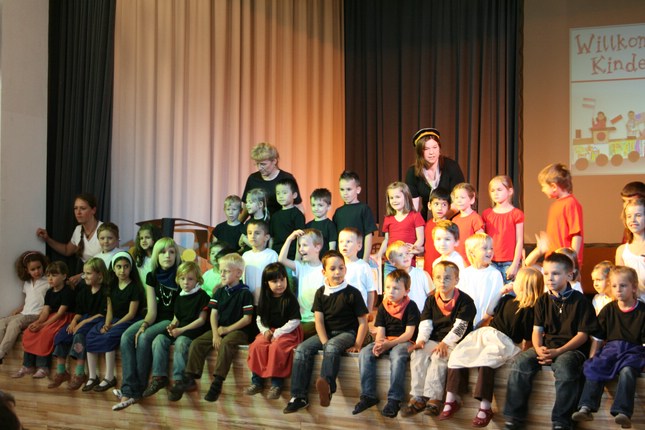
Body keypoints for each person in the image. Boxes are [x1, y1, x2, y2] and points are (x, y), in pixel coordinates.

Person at [503, 252, 598, 430]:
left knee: (565, 367)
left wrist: (558, 352)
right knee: (521, 362)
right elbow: (537, 330)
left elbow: (582, 336)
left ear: (569, 275)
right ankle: (514, 418)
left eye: (555, 273)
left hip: (572, 350)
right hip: (548, 346)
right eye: (546, 273)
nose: (549, 278)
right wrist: (538, 348)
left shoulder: (581, 301)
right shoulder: (542, 300)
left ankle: (562, 422)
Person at [441, 267, 542, 427]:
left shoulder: (531, 310)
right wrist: (501, 292)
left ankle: (485, 407)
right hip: (485, 334)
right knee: (458, 354)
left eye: (516, 280)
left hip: (503, 341)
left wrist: (523, 352)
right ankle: (451, 399)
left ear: (524, 285)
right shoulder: (507, 300)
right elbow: (489, 311)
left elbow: (528, 338)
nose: (512, 282)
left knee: (486, 361)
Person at [283, 250, 368, 413]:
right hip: (327, 333)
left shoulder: (353, 293)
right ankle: (298, 397)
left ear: (345, 270)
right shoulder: (320, 292)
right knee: (302, 349)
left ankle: (327, 386)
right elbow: (319, 321)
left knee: (332, 346)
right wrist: (324, 341)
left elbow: (363, 322)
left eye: (341, 268)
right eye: (333, 269)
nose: (337, 272)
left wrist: (358, 344)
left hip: (347, 333)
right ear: (324, 272)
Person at [169, 253, 255, 403]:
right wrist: (215, 334)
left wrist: (226, 330)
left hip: (239, 331)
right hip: (220, 329)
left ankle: (217, 382)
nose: (222, 274)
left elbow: (247, 319)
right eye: (221, 271)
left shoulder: (245, 293)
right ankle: (189, 377)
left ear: (238, 273)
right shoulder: (220, 292)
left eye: (226, 271)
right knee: (197, 343)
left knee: (227, 343)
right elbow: (213, 314)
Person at [571, 266, 645, 429]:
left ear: (634, 287)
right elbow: (598, 338)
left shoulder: (642, 311)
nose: (618, 290)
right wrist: (592, 357)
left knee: (627, 371)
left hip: (633, 351)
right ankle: (586, 407)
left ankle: (623, 412)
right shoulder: (609, 309)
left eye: (623, 285)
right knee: (595, 366)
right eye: (614, 286)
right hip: (611, 350)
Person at [113, 238, 181, 410]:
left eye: (171, 252)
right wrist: (143, 325)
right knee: (127, 336)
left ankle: (137, 389)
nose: (167, 256)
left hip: (173, 319)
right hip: (156, 317)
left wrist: (145, 330)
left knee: (144, 338)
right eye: (163, 252)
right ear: (156, 255)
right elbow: (152, 311)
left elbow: (181, 311)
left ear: (176, 255)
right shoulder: (152, 276)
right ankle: (128, 387)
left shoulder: (181, 274)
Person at [402, 261, 476, 418]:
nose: (442, 281)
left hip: (455, 342)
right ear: (433, 280)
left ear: (456, 280)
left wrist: (445, 343)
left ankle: (434, 399)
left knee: (439, 356)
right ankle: (418, 397)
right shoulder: (430, 300)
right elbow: (426, 323)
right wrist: (421, 340)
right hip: (435, 339)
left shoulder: (466, 301)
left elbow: (460, 328)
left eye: (447, 278)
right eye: (438, 277)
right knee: (418, 354)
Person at [352, 269, 420, 418]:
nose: (391, 291)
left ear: (406, 291)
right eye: (388, 287)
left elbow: (409, 333)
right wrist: (379, 343)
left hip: (404, 341)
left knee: (397, 355)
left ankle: (394, 399)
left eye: (396, 288)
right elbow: (381, 330)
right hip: (387, 340)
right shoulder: (384, 306)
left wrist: (389, 344)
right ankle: (368, 395)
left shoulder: (411, 306)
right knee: (365, 352)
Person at [143, 261, 209, 398]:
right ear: (178, 280)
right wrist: (172, 325)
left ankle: (180, 380)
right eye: (182, 279)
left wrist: (181, 330)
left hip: (195, 329)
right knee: (159, 339)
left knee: (181, 342)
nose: (186, 282)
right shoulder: (180, 297)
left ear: (198, 280)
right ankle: (159, 377)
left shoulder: (203, 297)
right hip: (181, 328)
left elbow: (201, 320)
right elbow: (176, 318)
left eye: (190, 279)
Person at [85, 252, 142, 393]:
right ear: (114, 269)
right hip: (113, 320)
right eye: (119, 267)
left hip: (128, 321)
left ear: (131, 268)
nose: (122, 270)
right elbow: (109, 309)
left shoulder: (134, 288)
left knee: (109, 337)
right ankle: (92, 376)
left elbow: (131, 314)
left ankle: (110, 377)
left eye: (126, 266)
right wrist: (107, 324)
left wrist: (113, 326)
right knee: (91, 335)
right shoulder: (111, 286)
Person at [245, 263, 302, 399]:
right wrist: (265, 331)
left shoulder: (290, 299)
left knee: (277, 347)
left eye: (282, 279)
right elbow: (259, 319)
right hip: (269, 330)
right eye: (275, 281)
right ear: (266, 283)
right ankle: (257, 382)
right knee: (257, 346)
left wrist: (278, 333)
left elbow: (295, 321)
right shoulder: (264, 299)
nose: (279, 284)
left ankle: (277, 384)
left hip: (288, 331)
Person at [49, 257, 108, 390]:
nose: (85, 276)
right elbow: (79, 312)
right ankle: (61, 371)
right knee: (62, 334)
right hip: (84, 319)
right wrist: (74, 321)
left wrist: (82, 323)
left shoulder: (105, 292)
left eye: (88, 273)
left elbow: (102, 314)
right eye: (84, 273)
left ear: (99, 275)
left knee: (79, 335)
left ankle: (80, 373)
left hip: (97, 320)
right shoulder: (84, 291)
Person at [13, 261, 75, 379]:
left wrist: (43, 325)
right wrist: (38, 322)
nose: (50, 279)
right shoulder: (49, 292)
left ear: (64, 276)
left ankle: (43, 367)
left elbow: (60, 313)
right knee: (29, 331)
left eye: (54, 275)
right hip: (51, 317)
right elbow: (46, 311)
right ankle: (28, 365)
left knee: (46, 333)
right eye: (48, 276)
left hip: (65, 318)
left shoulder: (67, 291)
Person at [36, 193, 103, 285]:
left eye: (83, 208)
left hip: (102, 279)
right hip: (88, 279)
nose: (78, 212)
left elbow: (109, 260)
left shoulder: (104, 229)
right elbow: (67, 250)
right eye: (76, 208)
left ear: (93, 210)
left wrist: (82, 276)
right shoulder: (78, 230)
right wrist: (47, 239)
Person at [525, 163, 584, 268]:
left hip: (565, 262)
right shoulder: (554, 206)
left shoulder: (571, 203)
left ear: (553, 186)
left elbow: (576, 234)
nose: (542, 190)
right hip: (553, 260)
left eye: (543, 186)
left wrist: (571, 260)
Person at [0, 251, 49, 364]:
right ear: (27, 270)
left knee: (15, 323)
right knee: (2, 322)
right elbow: (29, 300)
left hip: (36, 314)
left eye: (39, 267)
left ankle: (1, 353)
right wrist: (19, 309)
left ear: (43, 266)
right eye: (33, 269)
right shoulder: (27, 283)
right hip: (24, 313)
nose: (37, 271)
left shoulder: (48, 281)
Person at [405, 128, 465, 220]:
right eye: (426, 149)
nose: (431, 152)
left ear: (439, 149)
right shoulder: (412, 172)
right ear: (420, 152)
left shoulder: (451, 166)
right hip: (428, 218)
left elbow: (459, 199)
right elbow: (413, 206)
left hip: (452, 217)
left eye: (435, 147)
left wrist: (442, 219)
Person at [278, 229, 324, 339]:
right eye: (299, 245)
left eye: (305, 245)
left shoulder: (325, 269)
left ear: (317, 247)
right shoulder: (301, 266)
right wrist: (290, 239)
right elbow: (281, 259)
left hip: (316, 320)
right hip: (301, 318)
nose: (300, 249)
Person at [241, 142, 303, 219]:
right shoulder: (252, 179)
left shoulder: (287, 178)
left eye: (263, 164)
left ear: (274, 161)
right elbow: (246, 208)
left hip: (280, 224)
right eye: (257, 164)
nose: (259, 168)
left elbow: (298, 206)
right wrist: (238, 224)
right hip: (257, 225)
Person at [375, 182, 425, 274]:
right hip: (391, 262)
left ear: (406, 197)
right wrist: (379, 254)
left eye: (397, 197)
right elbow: (386, 240)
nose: (394, 200)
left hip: (407, 262)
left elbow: (420, 239)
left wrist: (410, 254)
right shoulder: (388, 218)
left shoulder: (415, 216)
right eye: (391, 198)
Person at [482, 175, 525, 283]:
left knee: (509, 291)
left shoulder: (516, 214)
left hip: (509, 262)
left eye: (499, 190)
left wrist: (515, 264)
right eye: (492, 191)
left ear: (510, 191)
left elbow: (519, 240)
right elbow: (483, 239)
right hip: (491, 261)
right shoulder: (487, 214)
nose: (495, 193)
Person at [458, 233, 504, 328]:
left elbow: (497, 301)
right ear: (472, 252)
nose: (489, 251)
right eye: (485, 248)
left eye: (491, 248)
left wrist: (485, 321)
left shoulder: (495, 274)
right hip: (465, 323)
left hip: (487, 324)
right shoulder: (464, 274)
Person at [332, 170, 377, 262]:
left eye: (349, 189)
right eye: (342, 189)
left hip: (359, 259)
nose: (345, 193)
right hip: (342, 260)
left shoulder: (364, 209)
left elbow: (368, 235)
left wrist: (365, 259)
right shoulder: (338, 212)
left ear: (358, 190)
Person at [386, 240, 433, 313]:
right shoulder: (391, 279)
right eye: (400, 255)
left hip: (422, 315)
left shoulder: (423, 274)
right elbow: (388, 299)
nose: (405, 256)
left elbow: (432, 297)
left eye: (407, 253)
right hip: (401, 315)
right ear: (392, 262)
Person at [339, 228, 377, 312]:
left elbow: (370, 290)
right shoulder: (337, 266)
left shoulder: (363, 266)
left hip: (360, 310)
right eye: (341, 241)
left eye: (348, 242)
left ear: (359, 246)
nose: (344, 244)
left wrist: (369, 311)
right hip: (341, 310)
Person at [242, 219, 278, 305]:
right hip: (249, 300)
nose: (252, 236)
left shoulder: (272, 255)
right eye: (250, 233)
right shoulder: (245, 255)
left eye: (257, 233)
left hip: (267, 299)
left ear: (266, 237)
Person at [616, 198, 645, 301]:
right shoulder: (621, 250)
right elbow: (619, 282)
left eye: (638, 215)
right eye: (629, 216)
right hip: (632, 305)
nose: (633, 220)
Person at [270, 177, 306, 260]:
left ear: (294, 195)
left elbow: (300, 237)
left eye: (284, 193)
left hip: (291, 256)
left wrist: (297, 258)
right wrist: (270, 255)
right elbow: (272, 238)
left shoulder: (297, 215)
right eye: (278, 193)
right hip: (276, 255)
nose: (281, 196)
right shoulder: (275, 216)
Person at [450, 182, 484, 264]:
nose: (459, 200)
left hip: (470, 261)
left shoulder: (475, 218)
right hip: (456, 261)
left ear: (471, 200)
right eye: (456, 197)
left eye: (462, 197)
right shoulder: (454, 219)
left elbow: (481, 241)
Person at [423, 188, 451, 277]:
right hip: (428, 268)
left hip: (444, 269)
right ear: (429, 205)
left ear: (449, 207)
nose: (440, 208)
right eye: (436, 204)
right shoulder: (427, 225)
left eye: (444, 204)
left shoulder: (450, 226)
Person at [305, 188, 338, 256]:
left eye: (320, 205)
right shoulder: (308, 226)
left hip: (324, 260)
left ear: (328, 206)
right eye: (313, 205)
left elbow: (332, 248)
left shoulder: (330, 225)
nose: (316, 208)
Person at [130, 223, 160, 287]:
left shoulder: (160, 257)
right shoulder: (138, 257)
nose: (144, 241)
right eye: (141, 238)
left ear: (155, 238)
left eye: (147, 237)